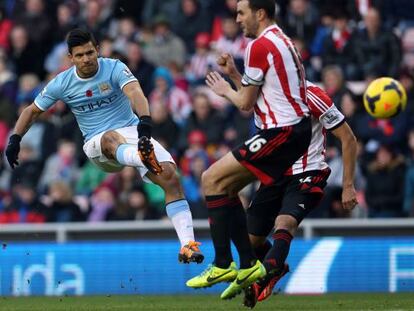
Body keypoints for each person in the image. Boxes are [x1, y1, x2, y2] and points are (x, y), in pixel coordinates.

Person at [4, 28, 203, 264]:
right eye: (79, 55)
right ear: (71, 57)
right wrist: (15, 139)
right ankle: (142, 157)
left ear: (97, 49)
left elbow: (135, 92)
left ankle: (187, 245)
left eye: (90, 52)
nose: (86, 59)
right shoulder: (62, 82)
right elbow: (32, 110)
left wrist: (145, 123)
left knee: (170, 177)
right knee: (111, 137)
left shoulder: (115, 67)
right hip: (97, 144)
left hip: (131, 134)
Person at [186, 0, 311, 300]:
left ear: (260, 13)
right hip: (290, 131)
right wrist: (233, 73)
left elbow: (244, 103)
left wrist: (224, 90)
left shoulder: (259, 45)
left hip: (281, 131)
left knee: (210, 179)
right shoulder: (280, 40)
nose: (238, 19)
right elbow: (258, 95)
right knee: (224, 188)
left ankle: (223, 263)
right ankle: (247, 265)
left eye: (242, 13)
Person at [243, 83, 358, 308]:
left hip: (309, 171)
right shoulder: (263, 100)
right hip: (275, 175)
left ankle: (268, 271)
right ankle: (277, 266)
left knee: (284, 221)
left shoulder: (312, 94)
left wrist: (348, 185)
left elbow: (348, 138)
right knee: (249, 241)